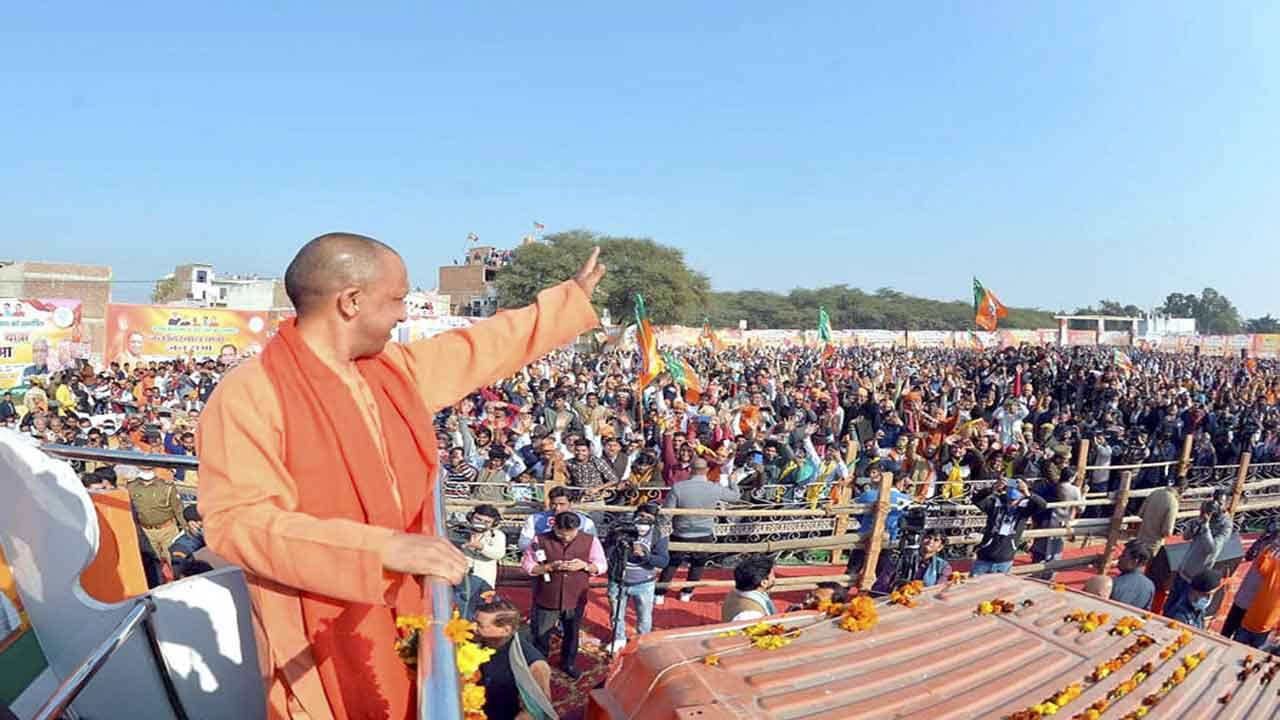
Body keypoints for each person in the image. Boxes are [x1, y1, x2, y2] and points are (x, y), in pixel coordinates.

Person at [196, 233, 604, 719]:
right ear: (351, 301)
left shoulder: (389, 370)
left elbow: (477, 348)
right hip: (312, 623)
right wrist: (379, 550)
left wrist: (566, 302)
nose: (404, 314)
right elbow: (237, 523)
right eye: (397, 300)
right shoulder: (252, 392)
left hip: (408, 602)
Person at [521, 511, 606, 679]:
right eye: (561, 534)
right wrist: (549, 567)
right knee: (541, 634)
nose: (566, 538)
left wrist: (585, 566)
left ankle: (568, 663)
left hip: (575, 597)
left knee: (572, 633)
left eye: (571, 534)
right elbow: (527, 565)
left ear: (577, 529)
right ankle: (540, 666)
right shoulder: (540, 539)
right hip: (547, 595)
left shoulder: (590, 540)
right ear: (554, 526)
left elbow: (601, 565)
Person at [657, 457, 740, 604]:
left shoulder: (678, 487)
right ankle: (686, 593)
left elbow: (667, 512)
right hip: (704, 532)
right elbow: (735, 497)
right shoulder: (714, 487)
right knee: (698, 564)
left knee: (672, 563)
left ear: (690, 469)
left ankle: (659, 594)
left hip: (680, 532)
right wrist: (732, 481)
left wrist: (661, 527)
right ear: (706, 470)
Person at [473, 597, 556, 720]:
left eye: (480, 625)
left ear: (505, 630)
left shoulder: (534, 665)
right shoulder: (482, 639)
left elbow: (534, 711)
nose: (473, 627)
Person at [605, 502, 669, 654]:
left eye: (648, 519)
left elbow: (663, 561)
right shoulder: (620, 529)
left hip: (644, 583)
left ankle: (643, 641)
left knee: (644, 617)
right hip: (618, 580)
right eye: (640, 517)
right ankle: (618, 638)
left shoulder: (658, 534)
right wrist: (619, 544)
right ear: (634, 515)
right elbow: (606, 549)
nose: (643, 521)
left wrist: (645, 556)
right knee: (616, 614)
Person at [1165, 494, 1232, 613]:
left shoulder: (1225, 525)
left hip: (1195, 578)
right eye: (1215, 502)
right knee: (1169, 605)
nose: (1216, 506)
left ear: (1226, 505)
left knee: (1179, 610)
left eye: (1220, 504)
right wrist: (1197, 522)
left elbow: (1211, 549)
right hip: (1183, 571)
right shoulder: (1206, 515)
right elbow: (1186, 537)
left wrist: (1206, 527)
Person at [971, 478, 1047, 575]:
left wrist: (1028, 493)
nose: (1013, 490)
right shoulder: (995, 503)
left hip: (1005, 560)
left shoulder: (1025, 508)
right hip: (984, 557)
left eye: (1017, 487)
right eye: (1011, 486)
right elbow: (976, 499)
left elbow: (1043, 505)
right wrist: (993, 488)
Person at [1222, 523, 1280, 640]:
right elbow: (1250, 555)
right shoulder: (1271, 538)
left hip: (1260, 607)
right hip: (1248, 598)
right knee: (1227, 633)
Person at [127, 465, 188, 569]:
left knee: (175, 562)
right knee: (152, 563)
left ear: (154, 469)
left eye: (148, 468)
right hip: (146, 532)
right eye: (143, 468)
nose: (146, 471)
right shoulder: (131, 487)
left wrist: (186, 529)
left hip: (168, 530)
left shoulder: (166, 487)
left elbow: (178, 510)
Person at [517, 485, 596, 552]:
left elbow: (593, 545)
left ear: (571, 504)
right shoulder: (534, 519)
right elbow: (523, 544)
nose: (557, 508)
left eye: (562, 504)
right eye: (554, 504)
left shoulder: (585, 522)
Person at [1233, 538, 1280, 648]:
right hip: (1249, 622)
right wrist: (1268, 550)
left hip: (1266, 629)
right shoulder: (1276, 565)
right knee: (1235, 649)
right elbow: (1261, 565)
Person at [460, 504, 508, 589]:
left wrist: (481, 547)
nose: (481, 523)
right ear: (470, 517)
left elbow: (499, 554)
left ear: (494, 523)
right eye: (478, 519)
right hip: (460, 580)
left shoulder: (497, 535)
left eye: (487, 522)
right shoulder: (459, 531)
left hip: (484, 584)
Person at [1133, 475, 1181, 559]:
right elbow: (1167, 531)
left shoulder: (1155, 492)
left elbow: (1141, 514)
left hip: (1140, 538)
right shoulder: (1173, 502)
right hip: (1153, 544)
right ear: (1182, 489)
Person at [720, 555, 777, 622]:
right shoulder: (751, 615)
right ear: (764, 583)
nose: (774, 579)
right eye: (773, 575)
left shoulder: (734, 593)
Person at [1110, 541, 1155, 611]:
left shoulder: (1114, 583)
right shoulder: (1150, 586)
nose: (1119, 558)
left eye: (1123, 555)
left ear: (1135, 561)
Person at [168, 505, 207, 579]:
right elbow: (177, 573)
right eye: (202, 524)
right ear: (192, 524)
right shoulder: (180, 547)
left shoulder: (210, 538)